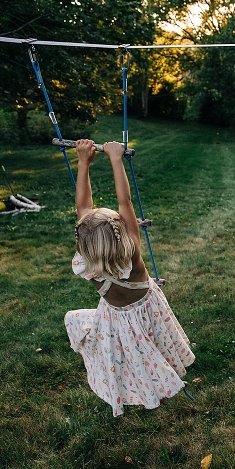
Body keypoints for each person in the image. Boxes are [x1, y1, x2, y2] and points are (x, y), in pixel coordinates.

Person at [64, 140, 194, 416]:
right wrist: (115, 158)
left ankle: (139, 387)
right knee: (155, 343)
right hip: (148, 309)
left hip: (117, 318)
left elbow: (82, 209)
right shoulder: (132, 251)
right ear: (120, 232)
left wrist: (83, 162)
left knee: (132, 354)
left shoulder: (85, 262)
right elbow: (125, 201)